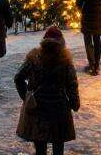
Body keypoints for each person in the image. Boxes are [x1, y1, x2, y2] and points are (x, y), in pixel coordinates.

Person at [13, 26, 80, 155]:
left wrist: (27, 97)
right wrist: (74, 103)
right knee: (58, 145)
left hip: (38, 109)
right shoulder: (65, 61)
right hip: (59, 109)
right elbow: (72, 84)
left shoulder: (34, 57)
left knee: (40, 146)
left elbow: (18, 77)